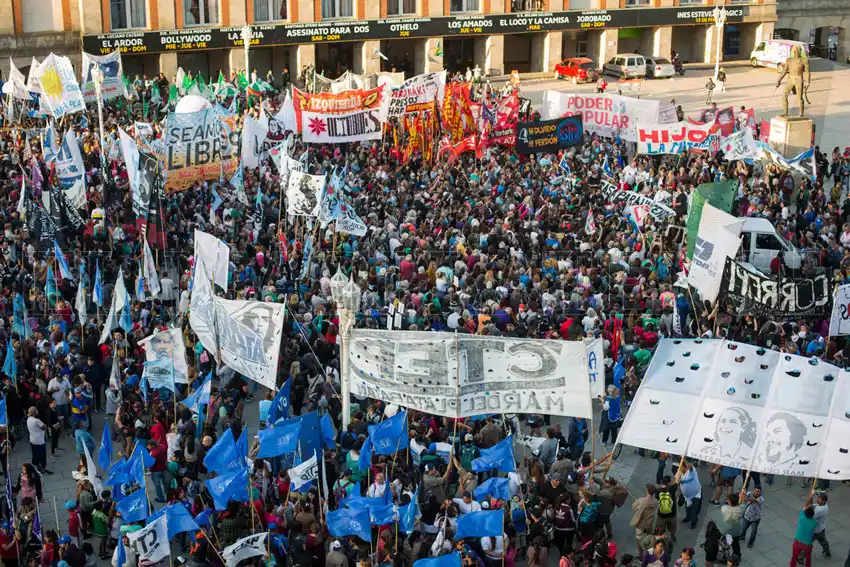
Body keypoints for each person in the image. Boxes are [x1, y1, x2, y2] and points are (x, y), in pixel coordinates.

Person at [789, 497, 819, 567]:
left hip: (798, 540)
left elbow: (805, 506)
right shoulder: (815, 522)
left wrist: (810, 497)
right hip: (807, 542)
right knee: (808, 558)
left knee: (794, 557)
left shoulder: (801, 516)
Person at [631, 484, 658, 557]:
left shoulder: (641, 500)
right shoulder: (655, 501)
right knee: (649, 540)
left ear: (647, 491)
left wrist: (638, 502)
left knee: (639, 541)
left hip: (641, 524)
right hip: (649, 524)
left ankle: (641, 557)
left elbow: (633, 507)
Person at [675, 460, 701, 529]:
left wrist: (684, 459)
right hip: (686, 496)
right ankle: (688, 518)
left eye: (681, 468)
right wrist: (678, 491)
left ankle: (694, 522)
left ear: (685, 467)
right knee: (688, 508)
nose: (680, 469)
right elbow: (678, 483)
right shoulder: (679, 473)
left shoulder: (692, 471)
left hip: (696, 494)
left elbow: (691, 467)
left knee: (694, 509)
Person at [26, 407, 51, 474]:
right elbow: (44, 427)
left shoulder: (28, 419)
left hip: (32, 439)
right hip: (39, 440)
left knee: (35, 454)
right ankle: (43, 468)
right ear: (35, 412)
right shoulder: (37, 421)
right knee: (42, 455)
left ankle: (36, 466)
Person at [812, 492, 831, 559]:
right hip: (821, 529)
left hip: (816, 530)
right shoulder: (825, 505)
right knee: (823, 541)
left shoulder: (820, 510)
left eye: (819, 499)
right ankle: (827, 551)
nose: (817, 500)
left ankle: (801, 558)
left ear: (823, 501)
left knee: (807, 542)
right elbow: (816, 505)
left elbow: (812, 516)